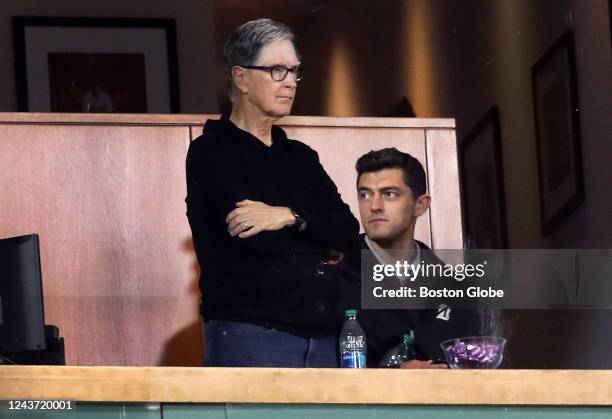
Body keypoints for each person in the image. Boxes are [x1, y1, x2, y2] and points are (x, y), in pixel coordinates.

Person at [185, 18, 359, 368]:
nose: (291, 83)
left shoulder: (301, 157)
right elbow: (254, 241)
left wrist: (288, 217)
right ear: (241, 78)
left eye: (295, 71)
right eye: (278, 70)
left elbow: (347, 231)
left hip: (323, 339)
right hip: (250, 336)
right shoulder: (211, 151)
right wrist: (319, 242)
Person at [339, 148, 478, 368]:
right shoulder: (334, 271)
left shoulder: (454, 287)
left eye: (389, 194)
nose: (374, 206)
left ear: (420, 205)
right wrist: (392, 377)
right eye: (365, 194)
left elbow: (471, 371)